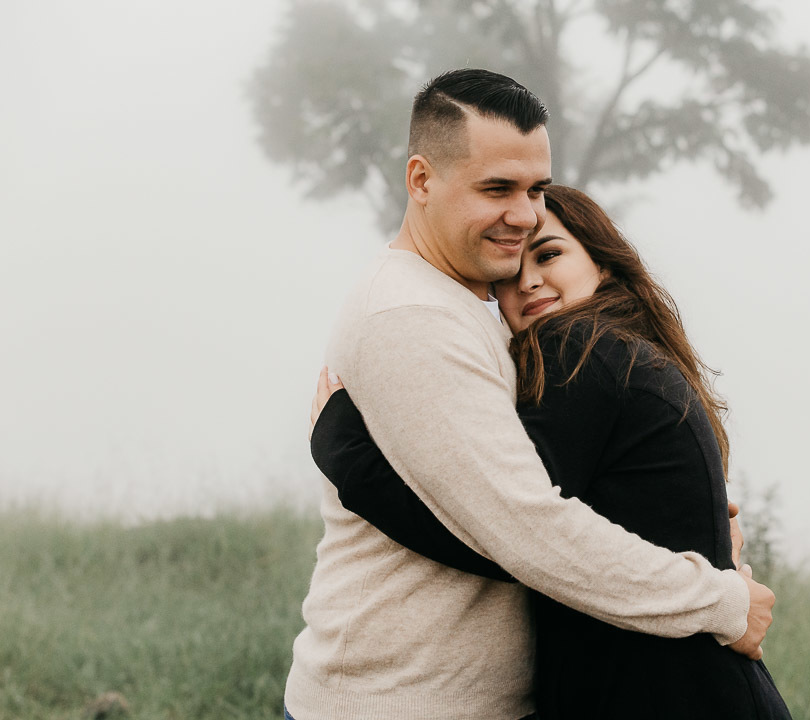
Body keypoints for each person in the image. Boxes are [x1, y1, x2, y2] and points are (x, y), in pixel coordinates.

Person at [284, 68, 776, 720]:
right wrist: (718, 600)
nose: (522, 215)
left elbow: (535, 506)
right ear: (422, 180)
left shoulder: (501, 320)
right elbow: (524, 529)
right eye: (497, 188)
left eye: (535, 189)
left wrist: (699, 533)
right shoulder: (412, 316)